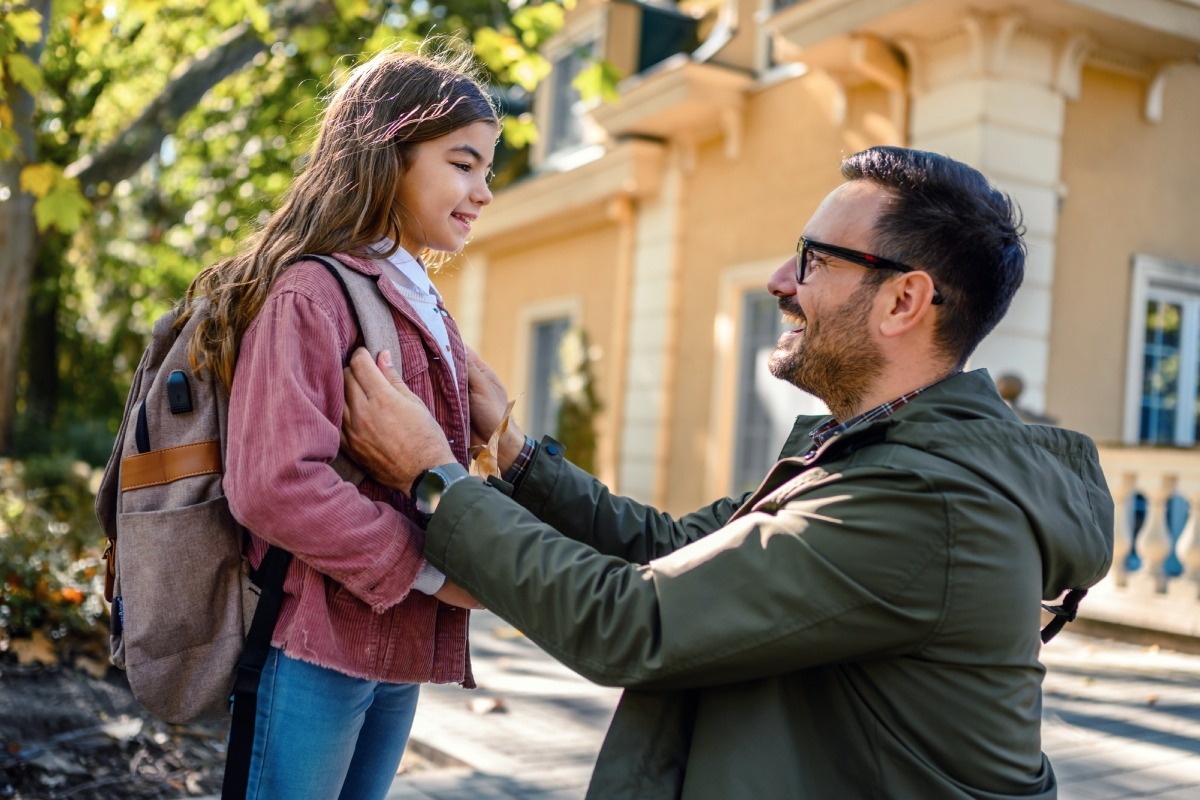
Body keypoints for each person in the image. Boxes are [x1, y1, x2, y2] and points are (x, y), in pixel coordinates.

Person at [339, 146, 1115, 799]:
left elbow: (633, 622)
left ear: (905, 300)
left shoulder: (925, 503)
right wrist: (511, 448)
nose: (781, 279)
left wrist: (433, 478)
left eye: (813, 259)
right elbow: (672, 546)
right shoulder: (869, 454)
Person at [180, 44, 495, 799]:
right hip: (317, 644)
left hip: (398, 641)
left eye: (489, 169)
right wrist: (431, 567)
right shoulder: (311, 294)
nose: (484, 191)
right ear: (387, 156)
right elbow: (274, 484)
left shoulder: (417, 297)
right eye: (462, 163)